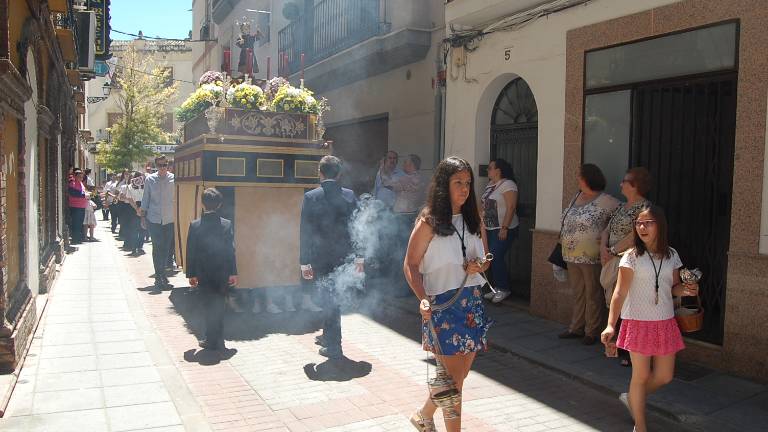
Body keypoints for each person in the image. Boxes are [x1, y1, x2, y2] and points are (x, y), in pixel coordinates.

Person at [404, 156, 492, 432]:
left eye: (467, 183)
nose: (464, 189)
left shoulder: (474, 215)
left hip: (471, 302)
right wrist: (422, 297)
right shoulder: (429, 221)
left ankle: (423, 415)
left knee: (457, 377)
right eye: (458, 183)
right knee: (453, 381)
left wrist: (480, 265)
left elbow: (486, 258)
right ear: (444, 185)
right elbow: (410, 264)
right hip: (441, 304)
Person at [601, 205, 698, 432]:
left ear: (660, 226)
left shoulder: (672, 254)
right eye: (639, 223)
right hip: (637, 322)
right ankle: (640, 427)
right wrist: (610, 324)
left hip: (664, 322)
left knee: (664, 376)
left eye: (648, 222)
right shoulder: (631, 257)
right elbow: (619, 292)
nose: (642, 227)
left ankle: (633, 398)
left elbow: (672, 288)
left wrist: (685, 290)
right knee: (641, 376)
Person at [299, 155, 362, 359]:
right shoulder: (350, 195)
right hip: (343, 257)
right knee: (331, 298)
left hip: (320, 258)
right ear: (339, 173)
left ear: (320, 172)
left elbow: (305, 232)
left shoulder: (311, 197)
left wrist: (304, 261)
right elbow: (358, 228)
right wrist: (359, 257)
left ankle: (334, 346)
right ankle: (329, 337)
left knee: (330, 300)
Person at [558, 164, 619, 345]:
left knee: (593, 292)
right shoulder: (577, 196)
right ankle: (576, 327)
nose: (577, 178)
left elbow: (622, 216)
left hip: (591, 256)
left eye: (579, 176)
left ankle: (591, 331)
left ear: (588, 178)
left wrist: (608, 237)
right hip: (570, 254)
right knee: (578, 292)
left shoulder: (606, 200)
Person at [600, 167, 652, 367]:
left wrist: (612, 251)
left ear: (635, 186)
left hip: (627, 261)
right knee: (614, 302)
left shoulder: (645, 208)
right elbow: (607, 229)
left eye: (625, 181)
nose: (620, 184)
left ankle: (628, 351)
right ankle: (614, 345)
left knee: (626, 305)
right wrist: (604, 248)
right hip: (612, 258)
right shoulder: (621, 206)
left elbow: (636, 236)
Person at [186, 188, 238, 352]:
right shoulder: (226, 224)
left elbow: (191, 251)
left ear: (202, 203)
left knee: (208, 306)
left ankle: (210, 339)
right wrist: (233, 272)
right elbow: (231, 250)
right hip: (221, 272)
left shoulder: (195, 225)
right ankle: (219, 340)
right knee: (219, 306)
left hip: (203, 273)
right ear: (220, 204)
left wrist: (191, 274)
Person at [382, 154, 426, 295]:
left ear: (412, 165)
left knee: (400, 253)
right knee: (409, 253)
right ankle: (409, 287)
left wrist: (382, 168)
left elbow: (386, 183)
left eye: (406, 162)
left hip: (402, 218)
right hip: (411, 216)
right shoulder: (420, 178)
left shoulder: (407, 178)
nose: (403, 165)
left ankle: (402, 288)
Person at [480, 158, 519, 303]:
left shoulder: (508, 184)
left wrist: (505, 227)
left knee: (494, 256)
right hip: (489, 228)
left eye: (490, 168)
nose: (488, 170)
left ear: (498, 170)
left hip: (504, 228)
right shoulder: (490, 185)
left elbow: (511, 207)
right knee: (489, 257)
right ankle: (496, 287)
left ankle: (504, 288)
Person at [141, 156, 176, 291]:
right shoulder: (150, 179)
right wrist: (143, 217)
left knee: (166, 249)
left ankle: (162, 275)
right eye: (160, 165)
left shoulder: (174, 179)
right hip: (154, 219)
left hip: (169, 219)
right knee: (157, 248)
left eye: (165, 165)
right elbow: (146, 198)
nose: (163, 167)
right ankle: (159, 276)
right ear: (156, 165)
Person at [124, 172, 146, 256]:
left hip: (133, 208)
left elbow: (129, 199)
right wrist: (139, 208)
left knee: (135, 229)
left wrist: (137, 208)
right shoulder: (145, 186)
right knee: (142, 228)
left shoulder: (130, 186)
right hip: (141, 207)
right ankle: (139, 246)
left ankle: (134, 247)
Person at [67, 169, 88, 244]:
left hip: (82, 206)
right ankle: (75, 239)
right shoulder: (72, 183)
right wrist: (84, 195)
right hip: (75, 206)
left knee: (80, 223)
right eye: (79, 177)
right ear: (75, 176)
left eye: (82, 177)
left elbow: (83, 192)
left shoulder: (81, 183)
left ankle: (78, 238)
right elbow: (73, 193)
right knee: (75, 223)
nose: (81, 178)